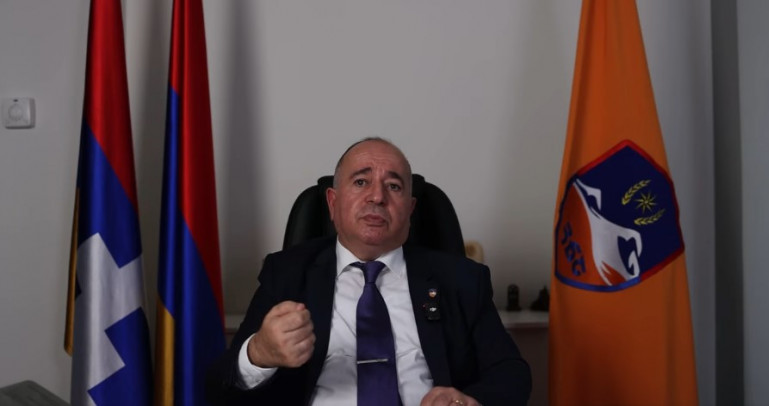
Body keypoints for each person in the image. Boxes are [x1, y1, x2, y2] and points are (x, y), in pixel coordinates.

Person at [206, 138, 531, 405]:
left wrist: (466, 402)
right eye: (361, 182)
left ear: (410, 209)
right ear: (332, 203)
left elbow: (511, 373)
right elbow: (218, 386)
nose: (377, 196)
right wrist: (258, 353)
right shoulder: (287, 273)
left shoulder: (461, 279)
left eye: (394, 186)